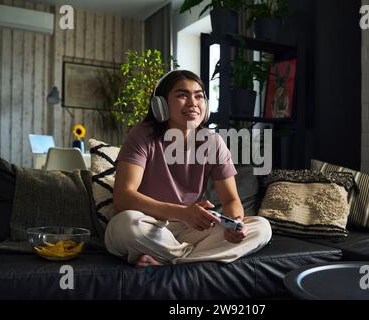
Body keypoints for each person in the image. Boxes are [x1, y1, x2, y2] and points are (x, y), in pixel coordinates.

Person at [105, 70, 272, 267]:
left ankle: (166, 260)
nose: (193, 103)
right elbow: (123, 197)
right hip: (148, 225)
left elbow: (230, 199)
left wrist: (235, 224)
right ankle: (188, 259)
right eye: (182, 95)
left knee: (261, 228)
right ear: (161, 105)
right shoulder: (142, 135)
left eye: (199, 96)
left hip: (189, 230)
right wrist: (183, 213)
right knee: (126, 226)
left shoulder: (213, 142)